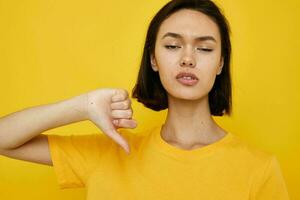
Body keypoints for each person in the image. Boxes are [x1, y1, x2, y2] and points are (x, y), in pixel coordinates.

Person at [0, 0, 290, 199]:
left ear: (220, 63)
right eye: (173, 45)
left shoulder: (259, 169)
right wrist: (82, 106)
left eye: (204, 49)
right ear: (153, 58)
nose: (187, 58)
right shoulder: (110, 153)